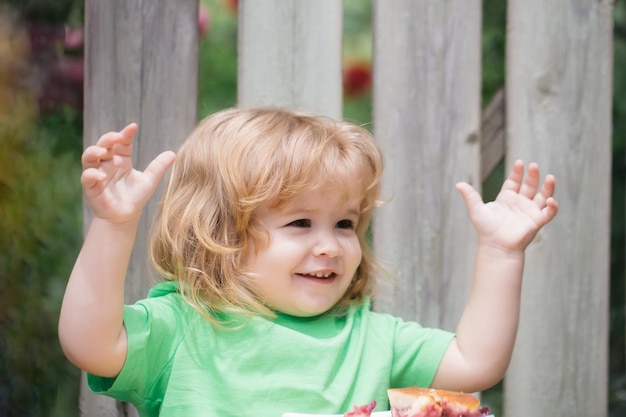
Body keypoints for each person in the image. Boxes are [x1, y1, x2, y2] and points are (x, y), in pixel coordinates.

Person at [58, 107, 558, 417]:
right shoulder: (183, 329)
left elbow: (476, 363)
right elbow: (89, 344)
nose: (330, 245)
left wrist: (500, 254)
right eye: (300, 224)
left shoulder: (372, 340)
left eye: (345, 224)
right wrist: (115, 225)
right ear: (220, 234)